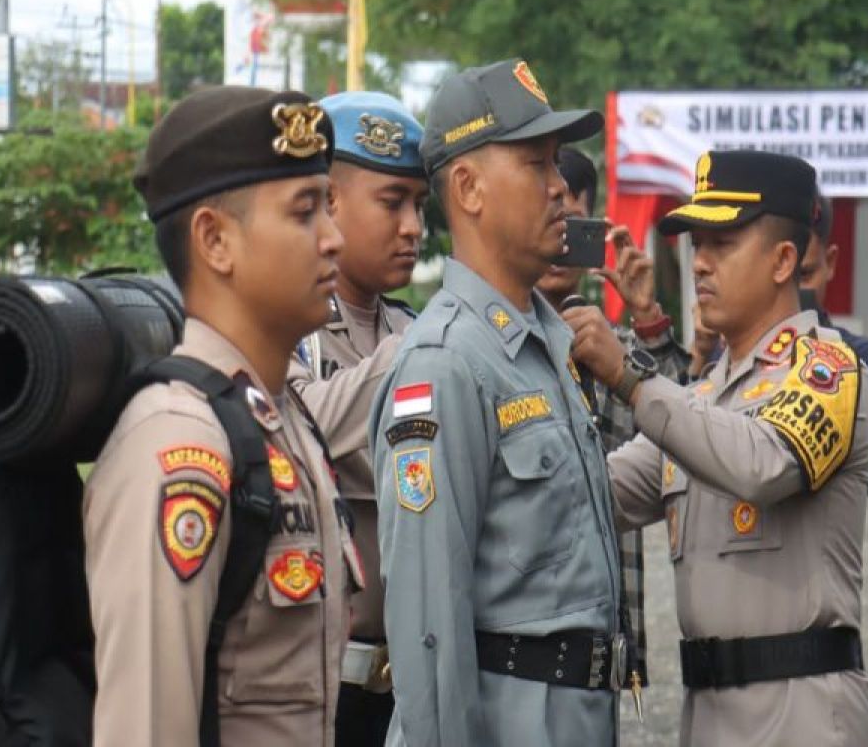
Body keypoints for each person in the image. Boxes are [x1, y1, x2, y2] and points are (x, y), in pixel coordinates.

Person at [566, 150, 868, 746]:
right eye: (696, 244)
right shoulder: (701, 396)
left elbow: (761, 464)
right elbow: (593, 493)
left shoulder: (829, 370)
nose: (700, 263)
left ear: (784, 259)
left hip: (803, 713)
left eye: (723, 243)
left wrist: (629, 377)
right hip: (706, 715)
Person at [84, 86, 358, 747]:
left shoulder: (282, 419)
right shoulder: (180, 444)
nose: (334, 239)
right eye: (304, 212)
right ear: (215, 240)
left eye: (329, 207)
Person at [369, 58, 621, 747]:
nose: (560, 192)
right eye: (536, 166)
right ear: (470, 189)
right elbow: (428, 617)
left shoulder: (544, 343)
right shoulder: (446, 362)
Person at [288, 91, 427, 746]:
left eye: (420, 206)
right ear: (330, 203)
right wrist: (424, 351)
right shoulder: (293, 330)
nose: (414, 227)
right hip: (323, 692)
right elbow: (303, 426)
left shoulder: (412, 326)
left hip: (413, 688)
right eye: (392, 202)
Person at [534, 145, 690, 697]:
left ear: (596, 228)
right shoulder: (491, 341)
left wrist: (647, 316)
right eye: (546, 216)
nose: (558, 237)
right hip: (523, 626)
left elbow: (690, 437)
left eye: (574, 223)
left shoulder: (617, 348)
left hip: (603, 624)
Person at [800, 195, 868, 494]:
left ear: (830, 263)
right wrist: (701, 357)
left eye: (804, 275)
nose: (791, 291)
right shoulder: (729, 354)